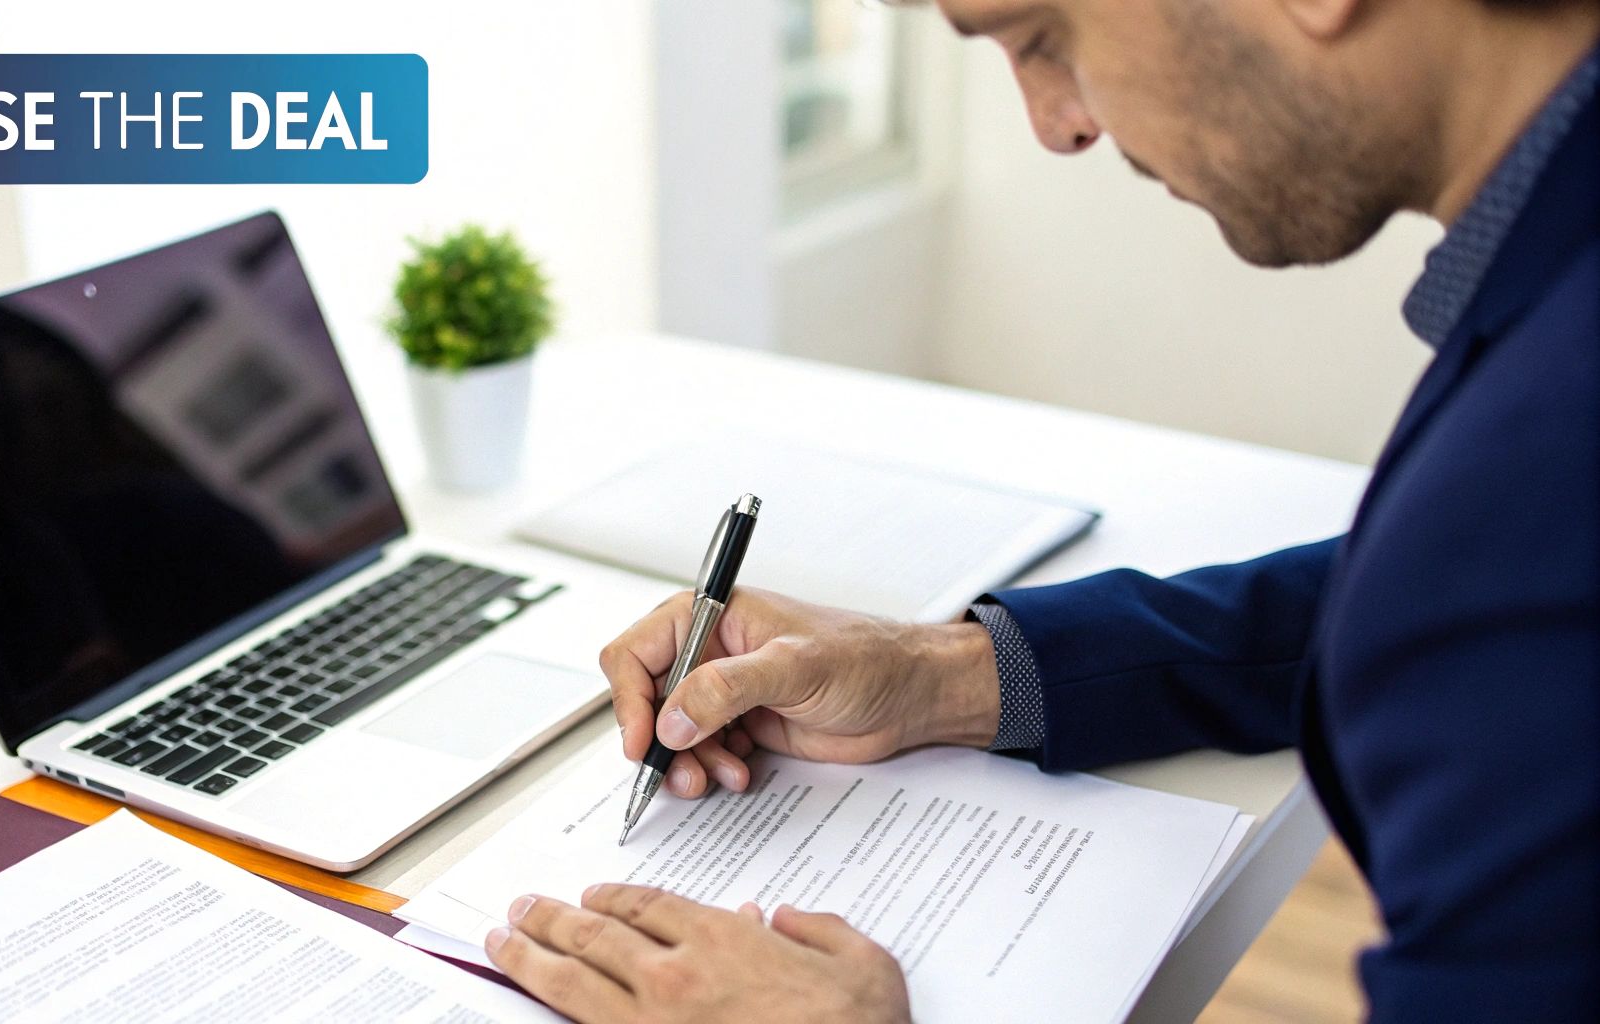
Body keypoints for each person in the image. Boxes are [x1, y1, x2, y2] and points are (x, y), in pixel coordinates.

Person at [484, 0, 1600, 1019]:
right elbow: (1413, 587)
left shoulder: (1533, 477)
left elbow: (1491, 573)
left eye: (1041, 37)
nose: (1056, 127)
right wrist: (951, 675)